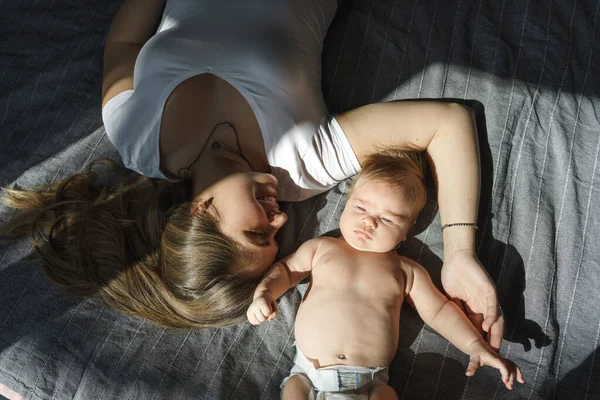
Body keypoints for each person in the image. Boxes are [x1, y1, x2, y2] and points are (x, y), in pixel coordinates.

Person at [1, 0, 502, 340]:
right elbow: (446, 122)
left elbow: (125, 47)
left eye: (257, 231)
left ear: (200, 211)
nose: (280, 219)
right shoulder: (303, 167)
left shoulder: (133, 135)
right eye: (276, 237)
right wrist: (459, 254)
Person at [247, 151, 524, 399]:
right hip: (308, 374)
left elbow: (439, 311)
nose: (369, 221)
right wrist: (265, 293)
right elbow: (287, 269)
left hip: (371, 385)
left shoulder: (406, 270)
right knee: (292, 391)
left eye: (388, 219)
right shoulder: (321, 248)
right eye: (361, 208)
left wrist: (474, 345)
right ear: (346, 204)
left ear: (406, 231)